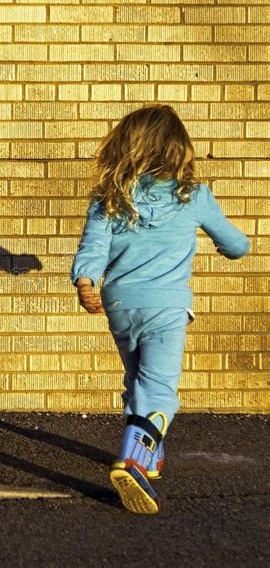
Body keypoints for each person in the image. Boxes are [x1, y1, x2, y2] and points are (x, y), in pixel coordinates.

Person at [70, 104, 250, 514]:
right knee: (161, 391)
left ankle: (149, 459)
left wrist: (85, 280)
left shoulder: (111, 197)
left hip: (119, 304)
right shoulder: (194, 196)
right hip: (166, 307)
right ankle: (134, 458)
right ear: (178, 148)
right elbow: (238, 245)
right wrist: (229, 246)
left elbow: (93, 248)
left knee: (138, 381)